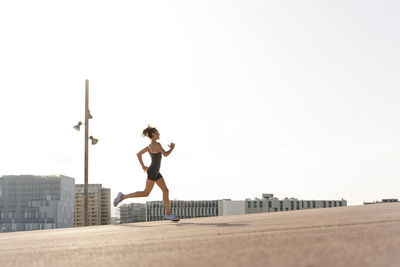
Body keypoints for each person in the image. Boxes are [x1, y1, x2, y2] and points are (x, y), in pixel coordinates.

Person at [113, 125, 179, 222]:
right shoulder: (157, 145)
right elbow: (165, 154)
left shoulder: (149, 147)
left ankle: (169, 214)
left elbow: (138, 154)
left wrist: (143, 166)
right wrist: (172, 148)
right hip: (153, 171)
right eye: (157, 132)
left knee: (165, 190)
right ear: (153, 134)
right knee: (145, 193)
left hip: (155, 171)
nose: (159, 134)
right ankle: (122, 197)